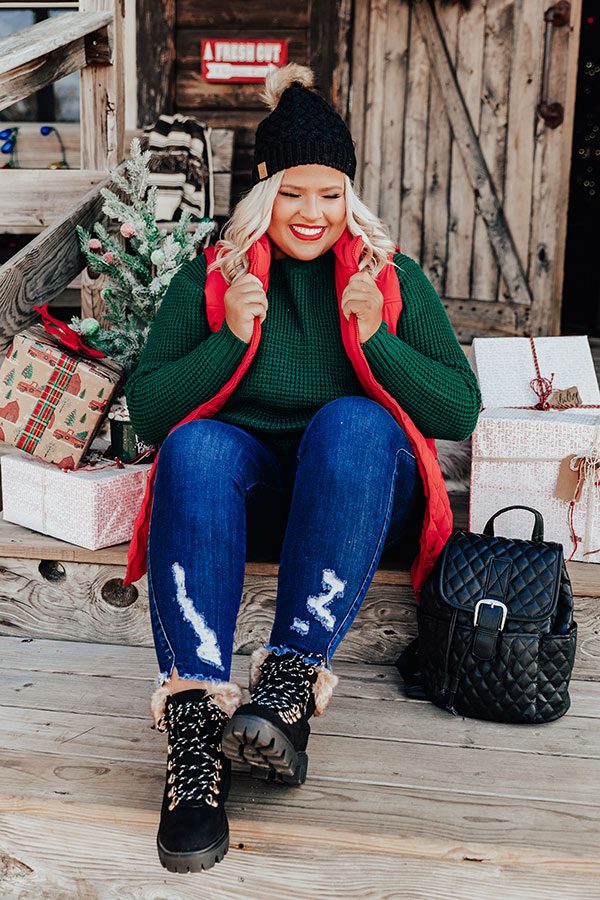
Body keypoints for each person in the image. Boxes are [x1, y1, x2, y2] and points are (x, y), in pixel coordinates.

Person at [124, 63, 481, 874]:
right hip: (246, 498)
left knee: (353, 419)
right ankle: (195, 738)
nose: (312, 213)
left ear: (350, 195)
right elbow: (147, 414)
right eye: (292, 193)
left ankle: (287, 689)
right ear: (262, 187)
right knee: (194, 445)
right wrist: (228, 338)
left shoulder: (388, 276)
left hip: (357, 493)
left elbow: (459, 411)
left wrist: (380, 340)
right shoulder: (214, 276)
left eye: (330, 193)